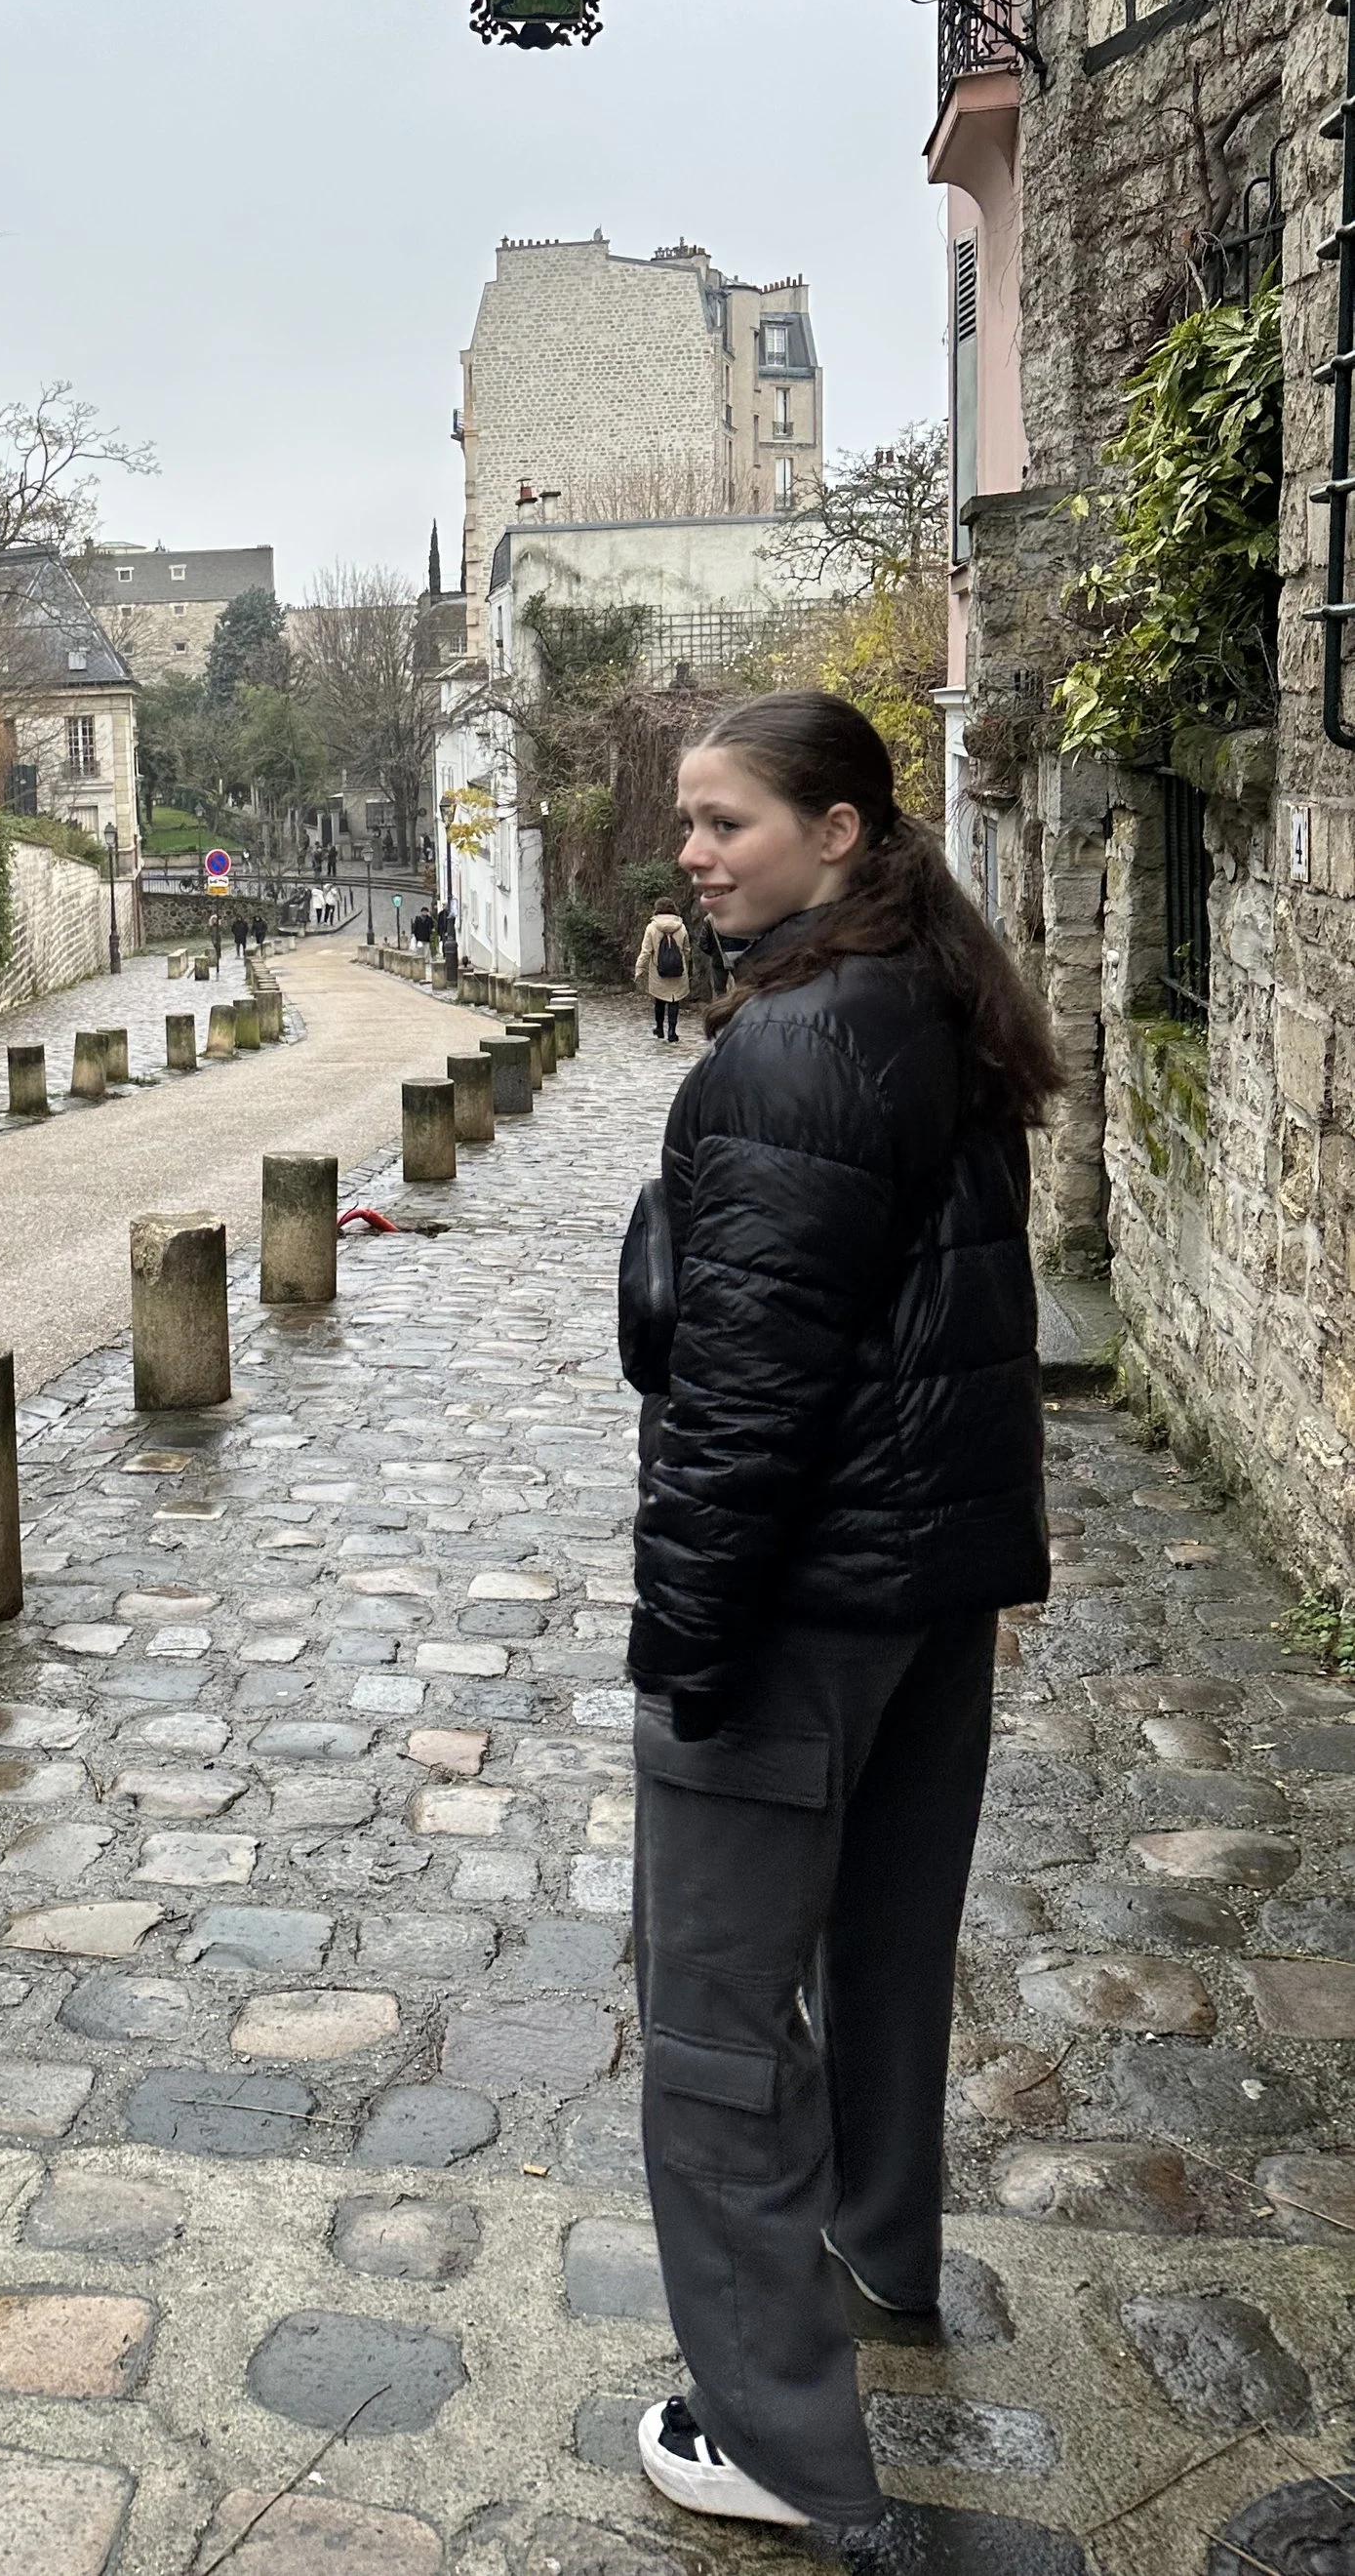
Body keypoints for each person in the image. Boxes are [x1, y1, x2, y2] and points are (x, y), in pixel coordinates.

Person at [618, 690, 1058, 2539]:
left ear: (846, 828)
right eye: (692, 826)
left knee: (716, 2020)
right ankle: (882, 2249)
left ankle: (781, 2441)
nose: (699, 855)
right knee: (880, 1947)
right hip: (925, 1589)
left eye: (730, 822)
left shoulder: (793, 1046)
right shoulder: (931, 1001)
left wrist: (687, 1657)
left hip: (801, 1597)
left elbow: (741, 1403)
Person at [633, 899, 693, 1042]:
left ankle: (659, 1028)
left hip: (658, 970)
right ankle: (672, 1031)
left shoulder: (651, 928)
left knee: (659, 999)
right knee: (674, 999)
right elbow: (686, 949)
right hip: (678, 970)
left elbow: (646, 951)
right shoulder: (681, 927)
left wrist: (639, 968)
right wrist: (687, 965)